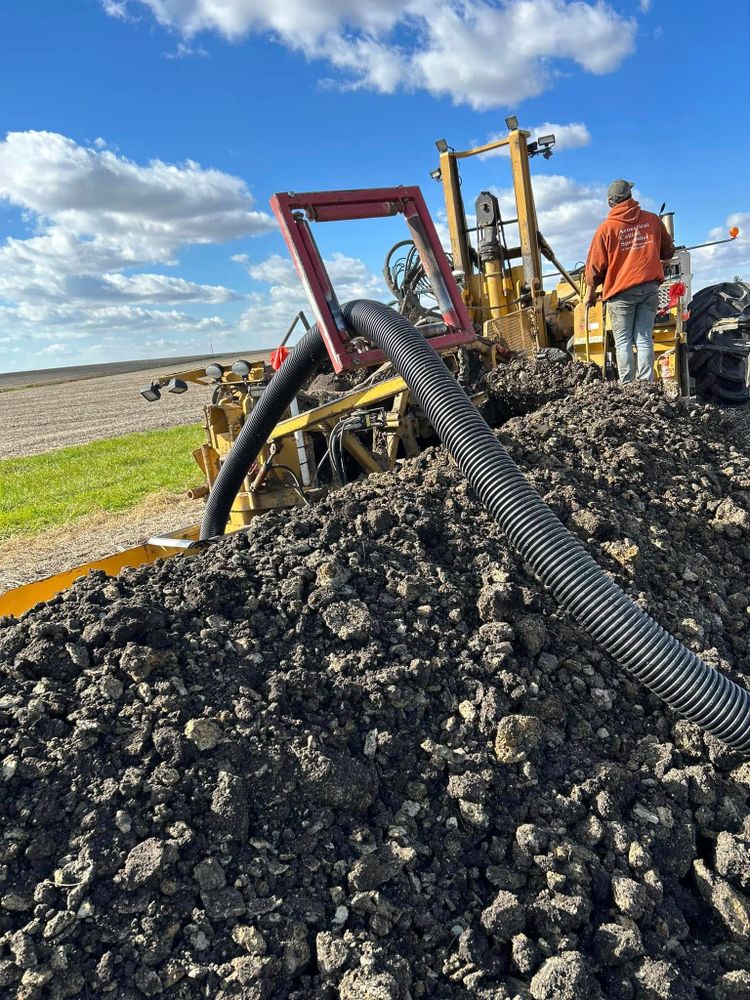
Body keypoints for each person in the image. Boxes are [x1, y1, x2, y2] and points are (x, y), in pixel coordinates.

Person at [584, 180, 675, 382]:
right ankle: (646, 386)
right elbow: (668, 251)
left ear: (611, 203)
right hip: (650, 288)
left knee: (623, 341)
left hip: (620, 294)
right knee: (644, 339)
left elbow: (594, 268)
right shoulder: (652, 220)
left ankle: (627, 388)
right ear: (629, 196)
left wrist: (589, 296)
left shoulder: (605, 230)